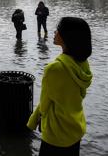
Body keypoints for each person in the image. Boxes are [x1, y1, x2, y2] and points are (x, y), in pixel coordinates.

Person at [27, 17, 93, 156]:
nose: (54, 32)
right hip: (76, 127)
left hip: (56, 134)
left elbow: (44, 104)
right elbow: (82, 93)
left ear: (66, 37)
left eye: (58, 29)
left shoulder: (54, 69)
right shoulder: (82, 63)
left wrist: (35, 120)